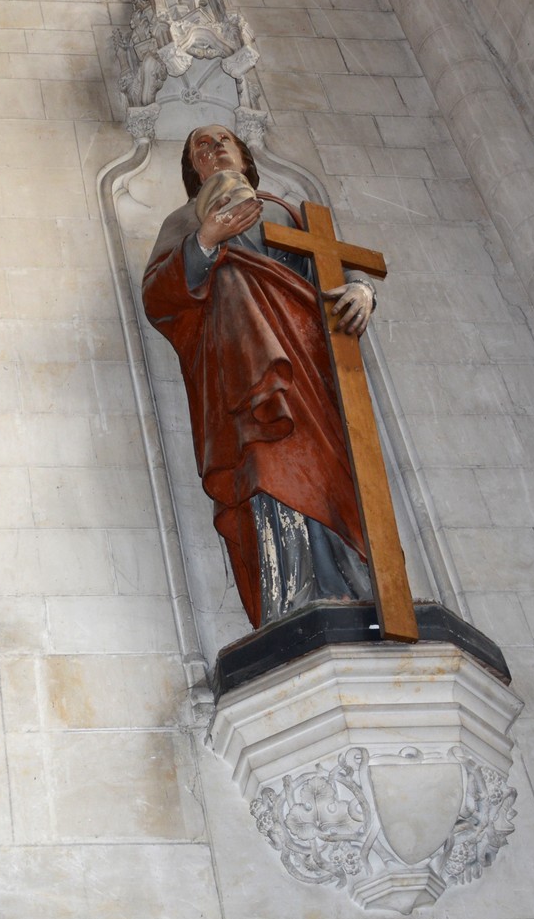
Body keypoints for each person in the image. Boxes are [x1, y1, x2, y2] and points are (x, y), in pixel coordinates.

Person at [142, 124, 378, 627]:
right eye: (200, 148)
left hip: (305, 368)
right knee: (268, 465)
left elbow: (329, 270)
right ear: (194, 170)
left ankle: (355, 586)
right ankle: (290, 596)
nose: (213, 149)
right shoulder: (185, 219)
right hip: (242, 381)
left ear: (245, 157)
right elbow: (158, 298)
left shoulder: (285, 213)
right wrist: (207, 240)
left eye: (223, 140)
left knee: (325, 466)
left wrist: (361, 291)